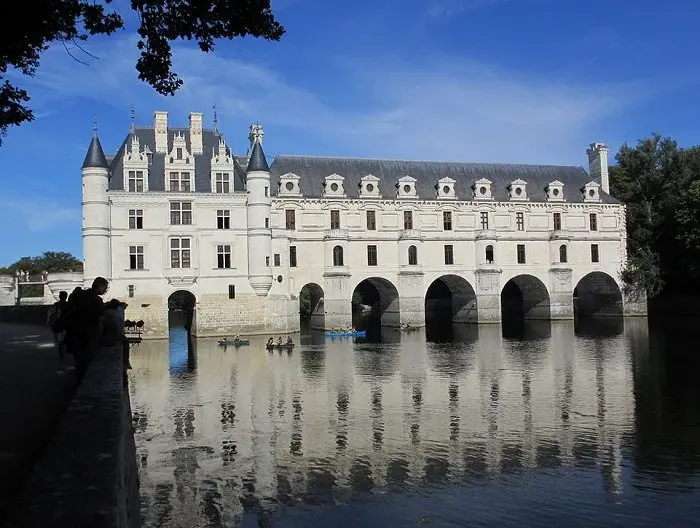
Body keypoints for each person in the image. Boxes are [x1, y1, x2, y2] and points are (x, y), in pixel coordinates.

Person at [65, 277, 109, 382]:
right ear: (100, 286)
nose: (105, 290)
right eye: (105, 288)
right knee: (87, 358)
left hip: (75, 331)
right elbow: (100, 318)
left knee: (79, 359)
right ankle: (85, 382)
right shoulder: (96, 300)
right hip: (89, 332)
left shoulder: (80, 295)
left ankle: (78, 382)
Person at [101, 299, 131, 370]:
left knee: (124, 341)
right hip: (111, 338)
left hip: (107, 336)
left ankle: (126, 362)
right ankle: (126, 362)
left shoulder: (107, 312)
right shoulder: (118, 311)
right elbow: (119, 327)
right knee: (125, 341)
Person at [47, 290, 69, 364]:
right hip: (65, 324)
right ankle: (62, 347)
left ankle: (60, 348)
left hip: (57, 324)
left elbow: (51, 314)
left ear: (59, 297)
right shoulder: (68, 305)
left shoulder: (56, 305)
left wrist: (50, 322)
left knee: (58, 339)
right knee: (63, 339)